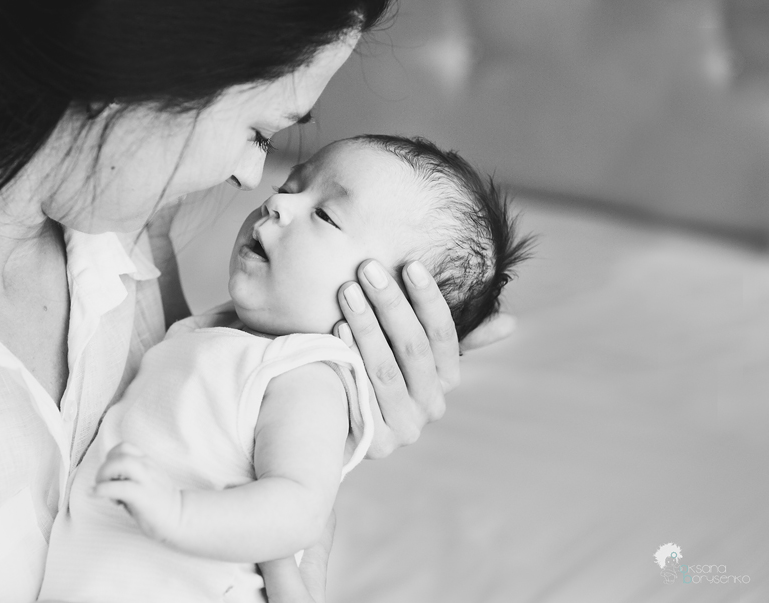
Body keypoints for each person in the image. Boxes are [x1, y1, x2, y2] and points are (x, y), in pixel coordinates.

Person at [37, 134, 531, 603]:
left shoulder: (305, 378)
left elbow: (299, 508)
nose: (276, 202)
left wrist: (177, 510)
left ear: (388, 308)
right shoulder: (224, 336)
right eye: (289, 186)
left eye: (326, 215)